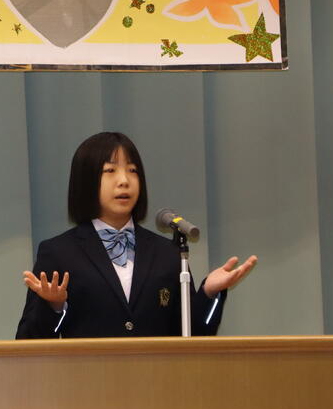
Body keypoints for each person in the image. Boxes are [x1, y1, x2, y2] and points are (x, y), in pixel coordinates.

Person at [15, 132, 256, 339]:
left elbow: (193, 337)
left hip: (156, 378)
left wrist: (209, 293)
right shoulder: (59, 252)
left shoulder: (168, 253)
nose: (124, 181)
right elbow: (28, 342)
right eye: (110, 170)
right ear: (86, 181)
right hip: (89, 378)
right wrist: (54, 307)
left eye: (132, 170)